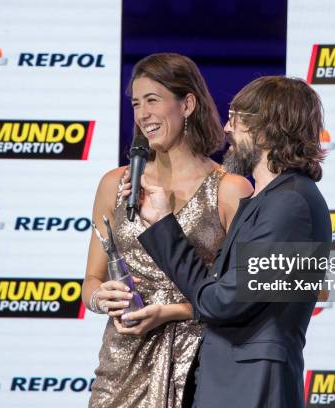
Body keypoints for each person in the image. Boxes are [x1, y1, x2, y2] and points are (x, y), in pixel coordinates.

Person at [126, 76, 331, 407]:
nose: (225, 129)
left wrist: (165, 225)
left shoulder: (290, 204)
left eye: (235, 119)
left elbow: (222, 303)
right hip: (232, 382)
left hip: (253, 387)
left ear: (265, 128)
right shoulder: (271, 199)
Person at [82, 53, 253, 408]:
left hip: (196, 362)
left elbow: (239, 296)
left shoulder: (230, 189)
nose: (143, 114)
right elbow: (91, 281)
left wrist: (170, 310)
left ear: (187, 104)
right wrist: (101, 298)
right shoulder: (115, 184)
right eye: (136, 103)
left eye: (153, 100)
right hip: (122, 362)